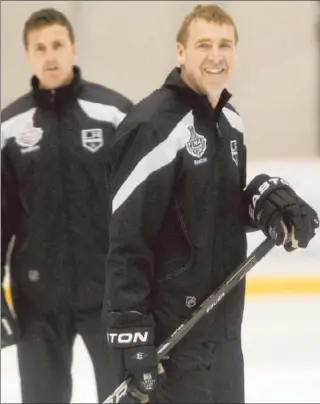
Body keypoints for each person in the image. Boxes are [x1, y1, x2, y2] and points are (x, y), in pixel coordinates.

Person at [102, 4, 319, 404]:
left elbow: (212, 211)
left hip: (222, 331)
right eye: (203, 44)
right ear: (181, 52)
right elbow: (126, 238)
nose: (215, 55)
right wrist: (131, 336)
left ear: (236, 52)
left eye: (225, 44)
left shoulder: (231, 121)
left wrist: (263, 207)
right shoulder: (154, 125)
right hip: (172, 342)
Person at [1, 7, 133, 403]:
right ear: (28, 54)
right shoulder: (9, 128)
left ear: (74, 48)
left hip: (108, 293)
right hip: (37, 297)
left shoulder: (114, 113)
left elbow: (141, 204)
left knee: (125, 397)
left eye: (57, 44)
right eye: (40, 47)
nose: (50, 55)